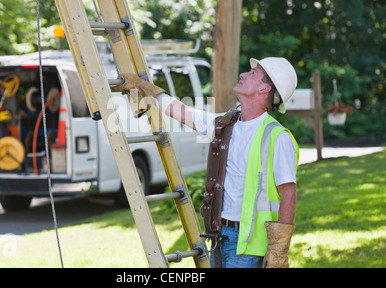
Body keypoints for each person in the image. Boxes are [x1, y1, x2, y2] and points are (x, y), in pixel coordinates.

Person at [113, 57, 299, 268]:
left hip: (247, 245)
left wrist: (278, 250)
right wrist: (145, 87)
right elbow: (184, 113)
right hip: (219, 234)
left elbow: (288, 193)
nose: (243, 74)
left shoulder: (276, 136)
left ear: (265, 88)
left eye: (253, 73)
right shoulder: (225, 124)